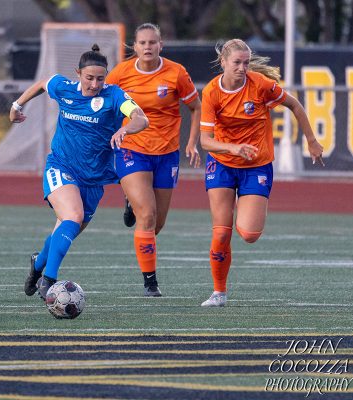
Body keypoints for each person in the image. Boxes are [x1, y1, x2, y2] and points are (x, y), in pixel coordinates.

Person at [10, 44, 149, 299]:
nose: (95, 84)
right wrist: (17, 105)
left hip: (94, 179)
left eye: (100, 78)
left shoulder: (114, 95)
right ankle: (48, 282)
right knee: (72, 217)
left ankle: (37, 265)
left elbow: (141, 119)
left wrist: (125, 129)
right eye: (89, 78)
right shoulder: (64, 88)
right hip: (61, 167)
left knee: (66, 229)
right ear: (78, 74)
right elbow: (43, 83)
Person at [199, 39, 324, 306]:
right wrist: (233, 148)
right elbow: (206, 141)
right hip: (221, 164)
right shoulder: (211, 92)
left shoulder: (261, 85)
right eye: (237, 63)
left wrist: (311, 140)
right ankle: (218, 292)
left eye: (246, 62)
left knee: (249, 235)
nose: (243, 68)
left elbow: (295, 106)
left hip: (256, 166)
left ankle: (253, 207)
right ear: (223, 63)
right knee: (221, 232)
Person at [106, 23, 201, 297]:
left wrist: (192, 142)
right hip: (132, 148)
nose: (147, 47)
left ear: (161, 45)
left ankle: (130, 201)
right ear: (134, 47)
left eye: (153, 42)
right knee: (146, 215)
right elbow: (103, 101)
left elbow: (195, 107)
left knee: (156, 225)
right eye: (142, 43)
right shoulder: (121, 73)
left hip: (166, 153)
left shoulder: (176, 72)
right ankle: (150, 283)